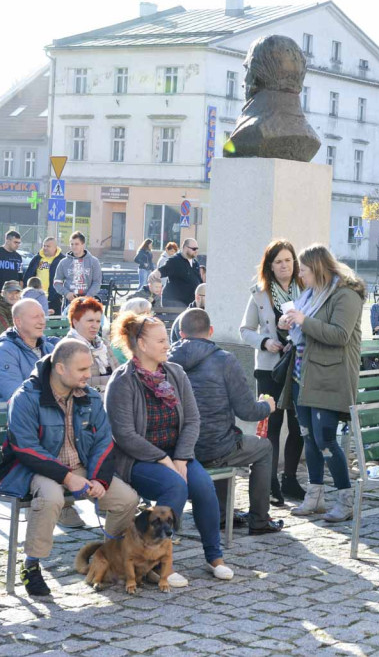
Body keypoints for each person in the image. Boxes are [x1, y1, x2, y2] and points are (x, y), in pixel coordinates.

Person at [0, 340, 139, 597]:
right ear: (60, 368)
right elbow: (25, 447)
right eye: (82, 369)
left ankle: (109, 558)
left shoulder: (91, 397)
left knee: (127, 498)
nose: (89, 374)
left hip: (81, 468)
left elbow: (104, 441)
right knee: (51, 497)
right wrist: (66, 477)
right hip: (36, 470)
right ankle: (31, 565)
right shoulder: (26, 397)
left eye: (89, 368)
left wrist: (99, 480)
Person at [105, 311, 234, 586]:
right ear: (141, 344)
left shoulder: (175, 373)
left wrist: (182, 458)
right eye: (162, 340)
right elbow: (124, 435)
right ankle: (160, 563)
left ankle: (214, 557)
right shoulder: (123, 381)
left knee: (203, 487)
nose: (168, 344)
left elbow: (192, 419)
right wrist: (164, 459)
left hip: (177, 456)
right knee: (176, 486)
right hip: (138, 460)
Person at [169, 308, 284, 534]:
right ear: (210, 331)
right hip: (214, 447)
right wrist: (267, 407)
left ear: (181, 334)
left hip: (179, 449)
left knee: (224, 437)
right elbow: (247, 411)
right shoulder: (224, 360)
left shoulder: (167, 361)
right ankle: (260, 519)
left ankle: (221, 514)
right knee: (263, 447)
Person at [278, 244, 363, 522]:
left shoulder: (345, 296)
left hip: (328, 377)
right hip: (302, 376)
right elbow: (304, 326)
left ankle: (345, 498)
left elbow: (340, 335)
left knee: (325, 438)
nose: (300, 276)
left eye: (303, 270)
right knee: (307, 436)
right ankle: (315, 496)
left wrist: (303, 321)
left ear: (318, 268)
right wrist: (289, 322)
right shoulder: (311, 294)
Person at [240, 239, 305, 504]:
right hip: (269, 366)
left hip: (299, 364)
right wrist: (265, 342)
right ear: (270, 265)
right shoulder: (259, 293)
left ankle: (290, 478)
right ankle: (269, 482)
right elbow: (244, 330)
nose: (284, 266)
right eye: (278, 261)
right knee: (272, 424)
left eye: (288, 260)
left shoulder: (305, 289)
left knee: (298, 424)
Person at [0, 299, 57, 403]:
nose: (42, 321)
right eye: (35, 317)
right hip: (21, 416)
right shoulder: (4, 352)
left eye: (43, 316)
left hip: (52, 412)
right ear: (18, 322)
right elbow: (16, 396)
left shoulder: (50, 348)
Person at [64, 297, 118, 390]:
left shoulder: (103, 344)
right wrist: (112, 380)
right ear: (75, 322)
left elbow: (119, 372)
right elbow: (77, 383)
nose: (95, 326)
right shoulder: (68, 348)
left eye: (98, 321)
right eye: (90, 321)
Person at [53, 232, 103, 308]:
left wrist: (87, 296)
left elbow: (97, 282)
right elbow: (57, 282)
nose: (74, 247)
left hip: (88, 300)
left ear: (83, 245)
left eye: (76, 244)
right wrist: (66, 293)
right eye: (72, 244)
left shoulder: (94, 261)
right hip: (70, 301)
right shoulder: (63, 262)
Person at [149, 238, 202, 308]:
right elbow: (163, 270)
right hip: (174, 301)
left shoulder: (195, 263)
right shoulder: (175, 260)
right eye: (194, 249)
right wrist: (154, 274)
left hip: (190, 301)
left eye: (197, 249)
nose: (196, 251)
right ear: (185, 248)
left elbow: (199, 281)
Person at [23, 236, 63, 314]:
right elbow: (28, 276)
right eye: (44, 246)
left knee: (54, 323)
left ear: (55, 247)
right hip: (37, 297)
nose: (45, 248)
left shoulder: (61, 260)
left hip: (54, 298)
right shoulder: (37, 258)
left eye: (48, 246)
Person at [0, 230, 24, 301]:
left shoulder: (18, 257)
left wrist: (19, 294)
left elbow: (20, 277)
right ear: (8, 240)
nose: (17, 245)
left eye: (19, 243)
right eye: (15, 242)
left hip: (13, 296)